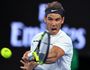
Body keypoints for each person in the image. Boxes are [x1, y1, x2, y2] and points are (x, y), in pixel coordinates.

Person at [20, 1, 73, 70]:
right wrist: (31, 65)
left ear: (62, 20)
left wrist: (31, 56)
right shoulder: (36, 38)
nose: (53, 23)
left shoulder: (65, 39)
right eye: (50, 19)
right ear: (45, 19)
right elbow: (37, 62)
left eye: (57, 19)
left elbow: (52, 56)